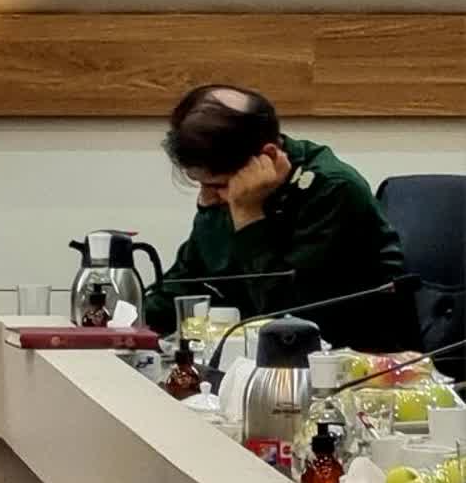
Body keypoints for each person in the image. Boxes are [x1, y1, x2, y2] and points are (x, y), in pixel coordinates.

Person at [142, 85, 413, 351]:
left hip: (352, 362)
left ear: (268, 156)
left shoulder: (333, 190)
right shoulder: (224, 195)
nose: (206, 199)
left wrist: (248, 216)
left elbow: (289, 320)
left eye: (218, 185)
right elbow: (182, 288)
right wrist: (129, 322)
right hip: (249, 359)